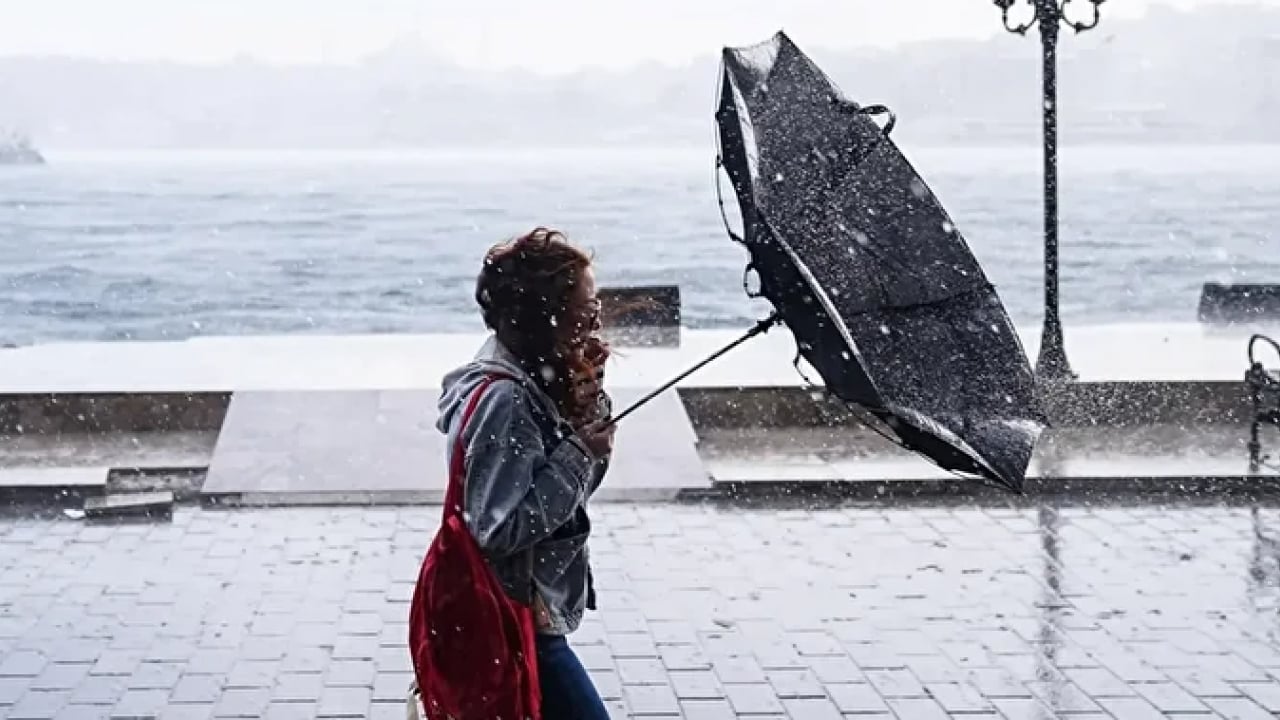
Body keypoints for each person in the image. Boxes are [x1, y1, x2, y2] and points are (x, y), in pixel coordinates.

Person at [432, 227, 614, 719]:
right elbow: (499, 528)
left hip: (522, 616)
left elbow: (576, 494)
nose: (596, 319)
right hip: (515, 619)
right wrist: (579, 451)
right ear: (545, 316)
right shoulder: (507, 400)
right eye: (585, 307)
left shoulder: (531, 376)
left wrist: (586, 404)